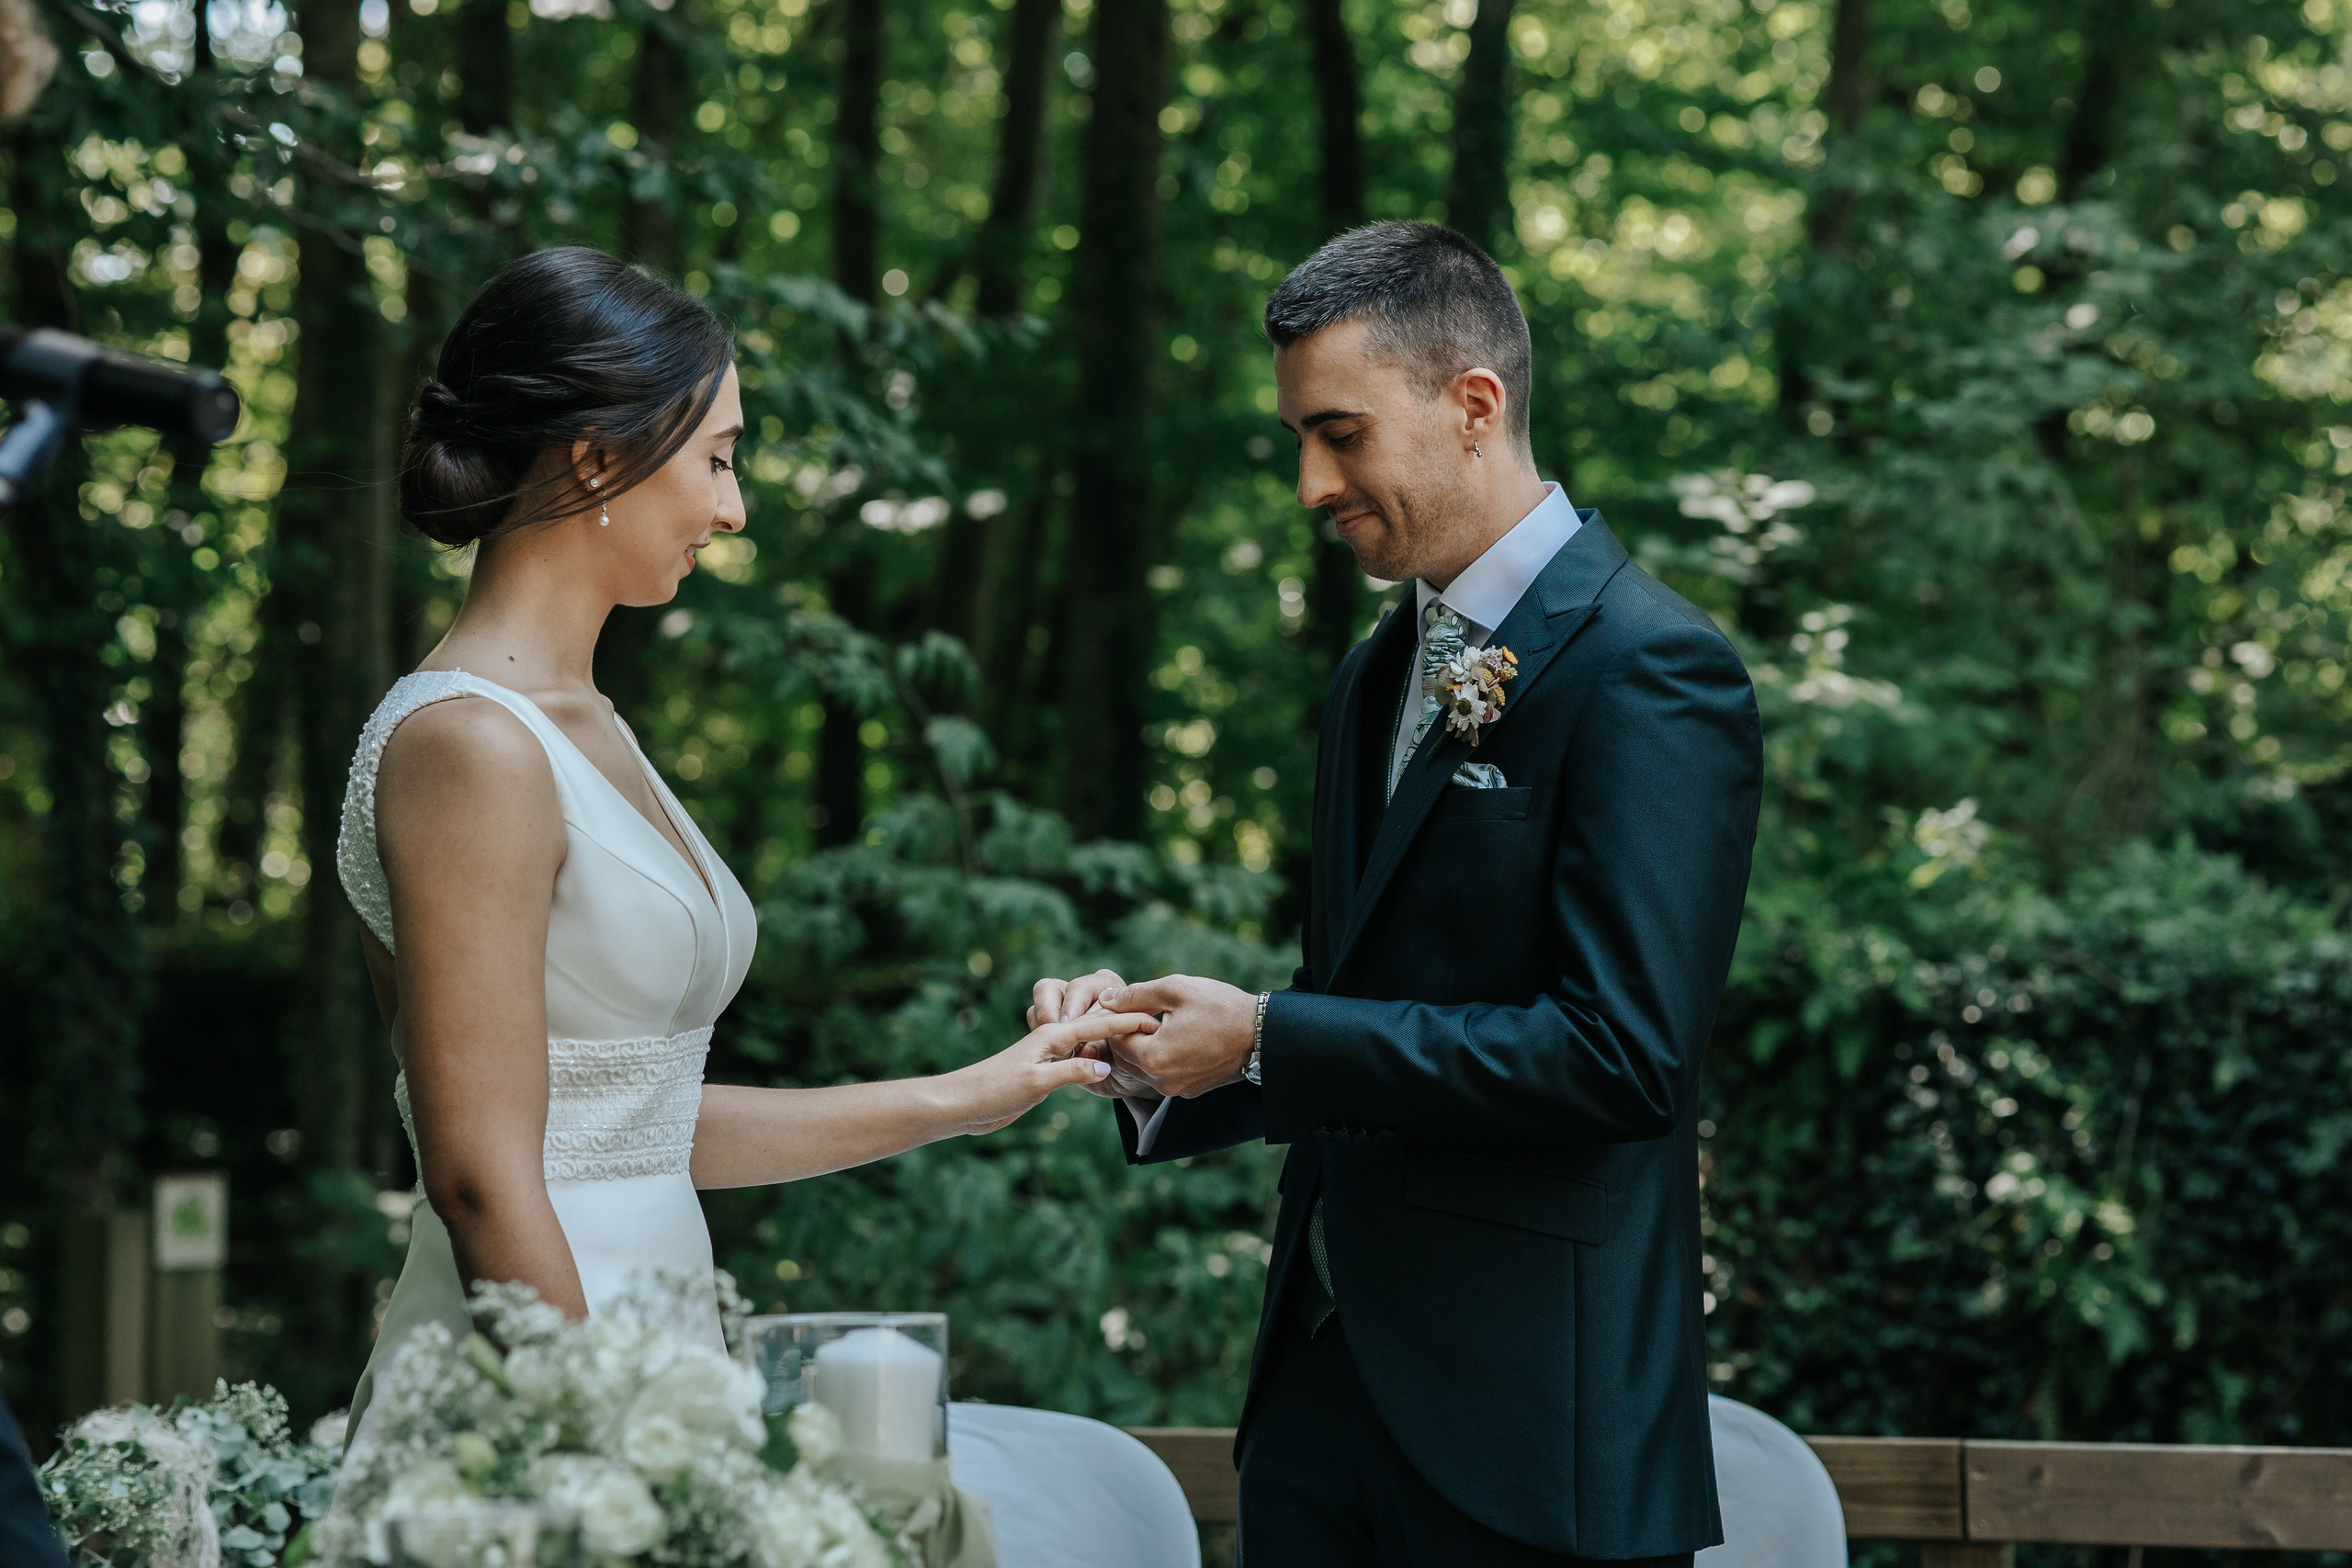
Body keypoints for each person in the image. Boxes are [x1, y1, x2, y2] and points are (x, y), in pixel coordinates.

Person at [336, 247, 1154, 1444]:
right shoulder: (470, 744)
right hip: (539, 1388)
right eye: (717, 458)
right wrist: (605, 1454)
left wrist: (972, 1094)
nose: (734, 509)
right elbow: (480, 1179)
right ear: (597, 458)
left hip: (665, 1353)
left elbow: (633, 1127)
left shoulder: (586, 724)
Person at [1033, 222, 1761, 1565]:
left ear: (1474, 405)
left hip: (1535, 1436)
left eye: (1342, 435)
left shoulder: (1653, 668)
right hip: (1320, 1400)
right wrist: (1166, 1057)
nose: (1312, 483)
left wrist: (1269, 1035)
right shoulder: (1379, 672)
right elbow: (1367, 1007)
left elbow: (1622, 1059)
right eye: (1299, 441)